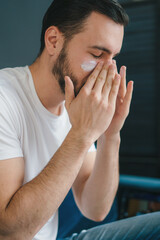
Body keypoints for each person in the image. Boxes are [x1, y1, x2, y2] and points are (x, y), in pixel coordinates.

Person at [0, 0, 159, 239]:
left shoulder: (75, 105)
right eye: (97, 54)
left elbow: (95, 209)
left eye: (113, 58)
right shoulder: (5, 98)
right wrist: (82, 134)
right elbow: (11, 229)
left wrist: (110, 133)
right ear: (53, 41)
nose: (108, 73)